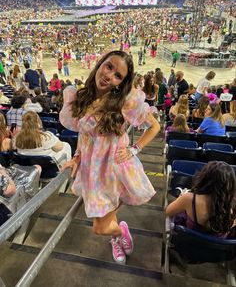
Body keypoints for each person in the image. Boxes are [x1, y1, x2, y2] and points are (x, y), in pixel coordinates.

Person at [59, 50, 160, 265]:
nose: (110, 75)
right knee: (104, 223)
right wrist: (76, 158)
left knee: (100, 227)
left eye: (118, 76)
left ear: (121, 83)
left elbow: (155, 127)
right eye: (109, 66)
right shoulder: (80, 96)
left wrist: (135, 149)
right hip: (93, 175)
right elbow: (85, 135)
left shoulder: (125, 101)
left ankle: (120, 233)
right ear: (100, 63)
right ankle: (117, 235)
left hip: (115, 171)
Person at [166, 161, 236, 238]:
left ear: (205, 178)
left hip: (186, 246)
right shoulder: (232, 208)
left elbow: (168, 212)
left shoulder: (189, 199)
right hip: (217, 249)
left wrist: (181, 197)